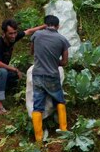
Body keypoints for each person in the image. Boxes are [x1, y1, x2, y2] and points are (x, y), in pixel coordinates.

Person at [0, 18, 46, 115]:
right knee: (3, 71)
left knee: (18, 76)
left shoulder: (13, 38)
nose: (13, 36)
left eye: (15, 33)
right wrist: (14, 69)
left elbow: (28, 31)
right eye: (10, 33)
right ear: (4, 33)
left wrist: (44, 26)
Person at [30, 14, 70, 143]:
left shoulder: (36, 35)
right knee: (59, 100)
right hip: (52, 75)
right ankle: (63, 131)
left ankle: (39, 140)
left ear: (45, 24)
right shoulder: (62, 40)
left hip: (37, 75)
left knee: (37, 106)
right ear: (58, 26)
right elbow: (64, 62)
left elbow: (32, 52)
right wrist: (54, 61)